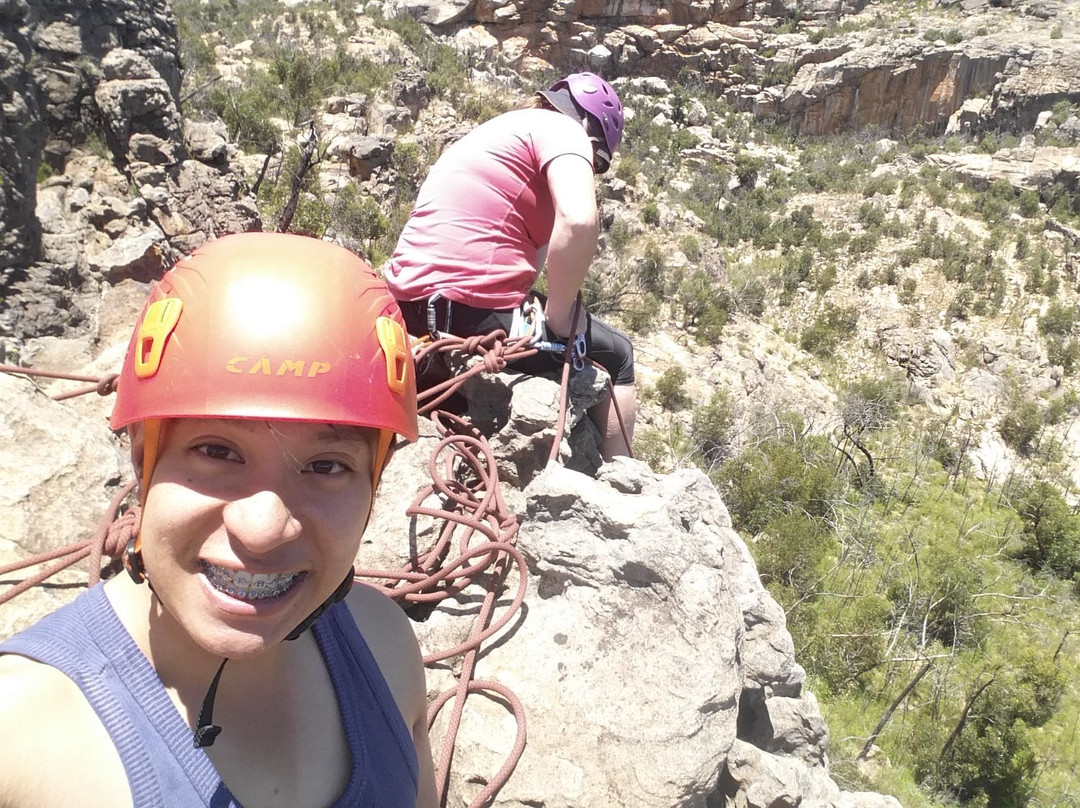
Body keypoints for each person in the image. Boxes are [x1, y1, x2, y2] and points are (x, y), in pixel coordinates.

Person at [0, 233, 438, 807]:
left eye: (327, 465)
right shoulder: (22, 738)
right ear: (143, 458)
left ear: (373, 486)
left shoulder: (385, 646)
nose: (262, 529)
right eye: (217, 451)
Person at [386, 71, 636, 460]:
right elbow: (579, 221)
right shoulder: (567, 131)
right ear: (590, 129)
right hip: (469, 315)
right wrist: (558, 315)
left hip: (407, 310)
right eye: (595, 160)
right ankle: (625, 478)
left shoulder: (499, 134)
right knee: (618, 356)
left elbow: (528, 263)